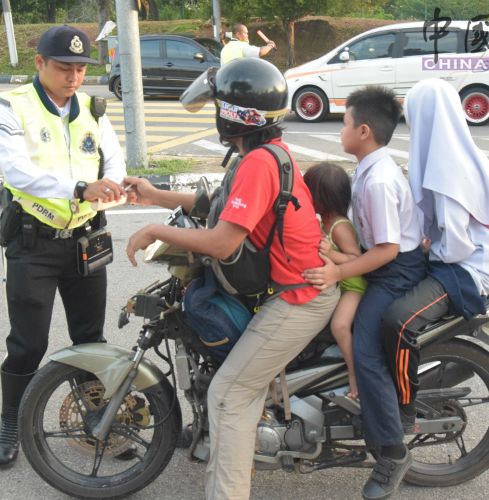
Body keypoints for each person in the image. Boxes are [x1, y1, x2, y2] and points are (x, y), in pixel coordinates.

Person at [125, 57, 339, 500]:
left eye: (218, 104)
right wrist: (153, 194)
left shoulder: (259, 162)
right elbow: (215, 205)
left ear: (235, 114)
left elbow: (222, 243)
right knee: (230, 388)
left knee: (227, 395)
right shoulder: (258, 156)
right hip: (292, 288)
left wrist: (154, 230)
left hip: (300, 297)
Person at [0, 25, 127, 468]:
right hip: (35, 244)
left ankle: (97, 418)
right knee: (28, 342)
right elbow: (17, 173)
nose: (74, 77)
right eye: (64, 68)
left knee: (90, 337)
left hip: (86, 240)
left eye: (81, 68)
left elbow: (114, 158)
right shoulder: (12, 106)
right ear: (40, 64)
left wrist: (114, 186)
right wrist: (81, 187)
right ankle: (11, 420)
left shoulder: (93, 107)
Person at [302, 86, 426, 500]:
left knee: (367, 348)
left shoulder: (378, 181)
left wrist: (338, 271)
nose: (341, 131)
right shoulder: (371, 168)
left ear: (365, 130)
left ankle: (391, 454)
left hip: (394, 270)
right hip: (381, 263)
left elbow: (387, 250)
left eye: (345, 124)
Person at [380, 79, 489, 435]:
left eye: (412, 113)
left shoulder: (447, 168)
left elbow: (455, 245)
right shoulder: (454, 153)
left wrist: (425, 250)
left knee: (397, 320)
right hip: (462, 257)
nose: (408, 121)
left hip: (468, 268)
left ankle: (403, 412)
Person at [303, 162, 367, 398]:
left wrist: (330, 253)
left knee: (339, 326)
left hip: (353, 285)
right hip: (337, 283)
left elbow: (355, 258)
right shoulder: (321, 221)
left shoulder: (340, 226)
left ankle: (355, 376)